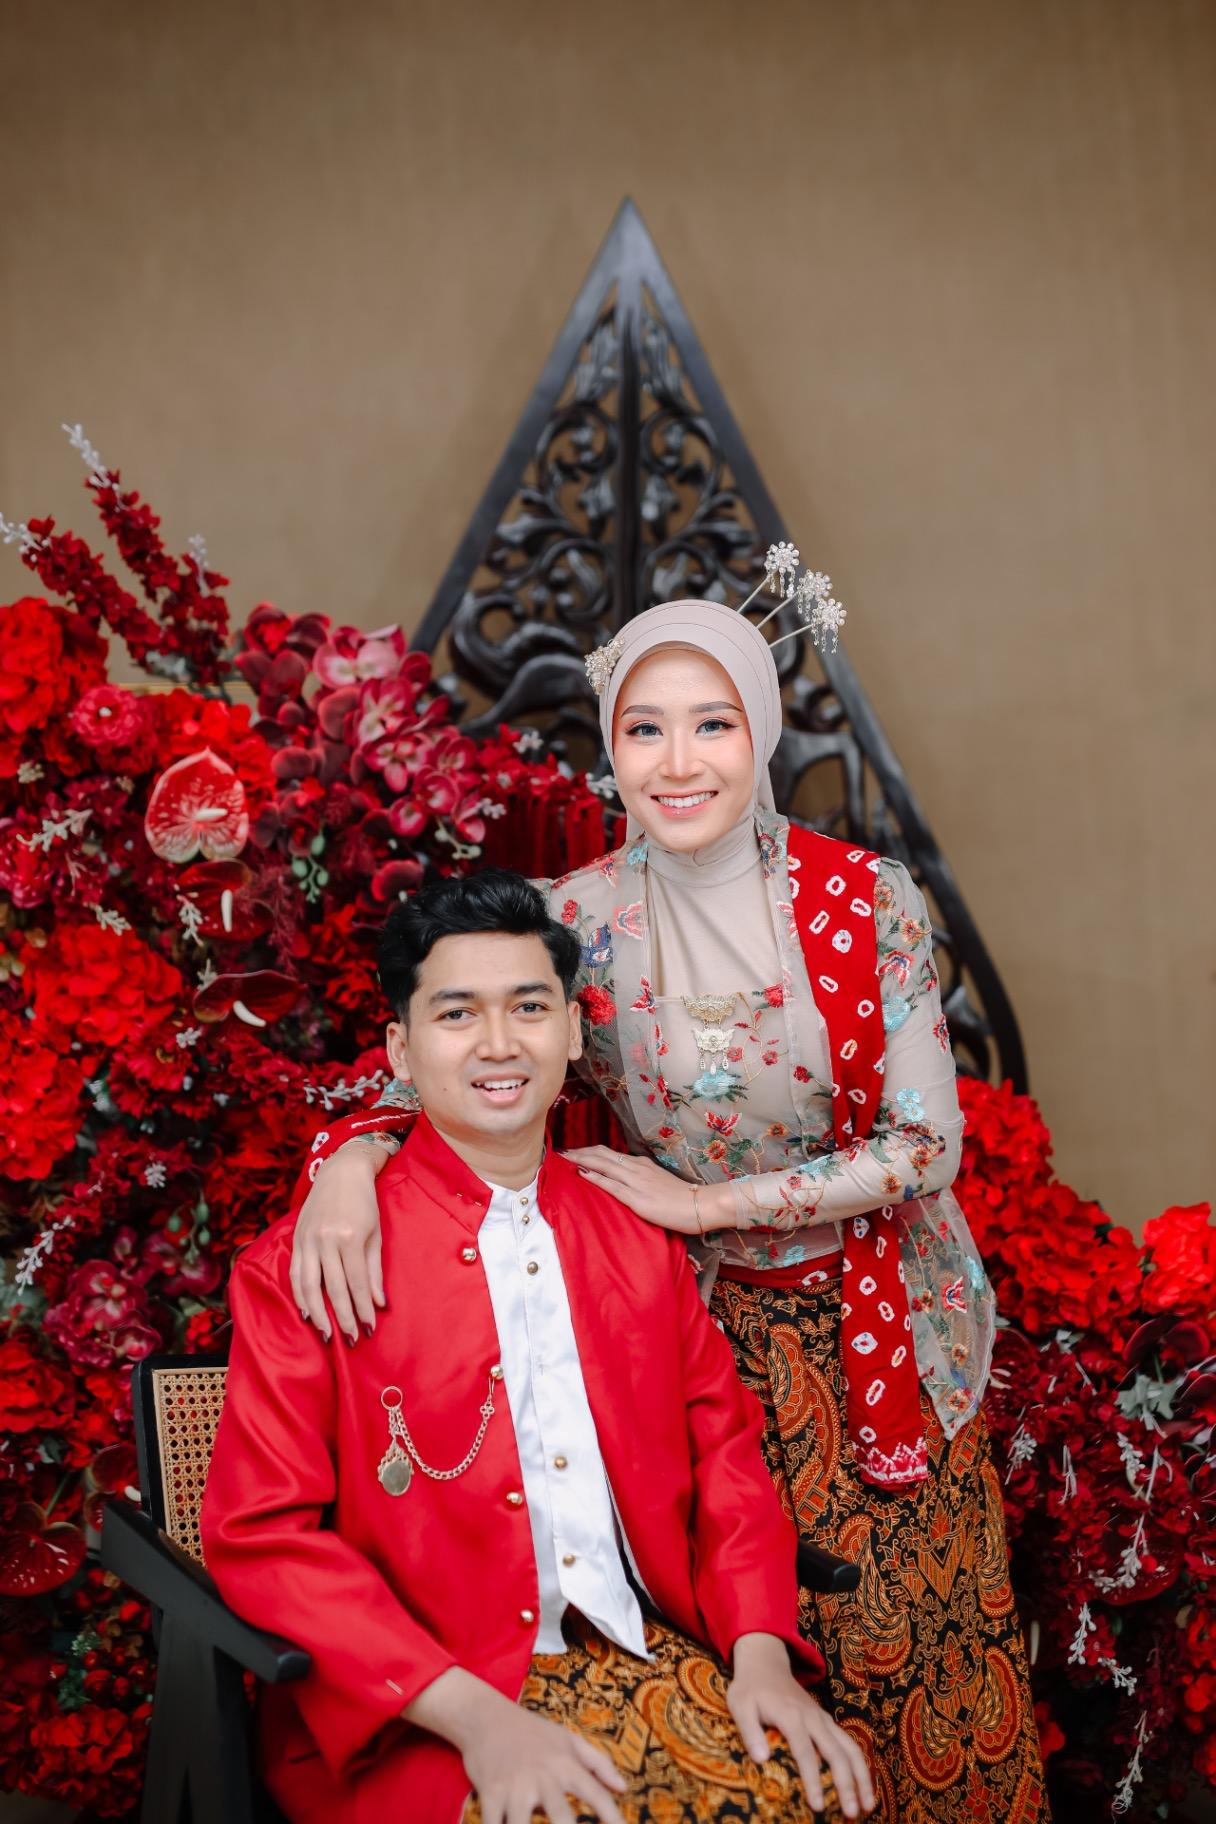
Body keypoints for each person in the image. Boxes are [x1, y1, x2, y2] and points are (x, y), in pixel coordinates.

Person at [287, 600, 1048, 1822]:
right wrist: (345, 1163)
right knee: (741, 1671)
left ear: (764, 733)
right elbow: (449, 1056)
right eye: (644, 729)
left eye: (713, 724)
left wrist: (704, 1204)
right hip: (691, 1341)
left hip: (884, 1334)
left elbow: (923, 1148)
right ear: (610, 745)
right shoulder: (578, 918)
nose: (677, 762)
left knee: (918, 1667)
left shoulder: (864, 900)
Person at [201, 869, 873, 1824]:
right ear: (400, 1050)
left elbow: (725, 1459)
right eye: (457, 1014)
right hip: (418, 1704)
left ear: (571, 1034)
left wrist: (761, 1656)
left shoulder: (635, 1239)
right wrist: (477, 1721)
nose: (499, 1043)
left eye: (528, 1007)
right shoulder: (310, 1265)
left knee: (819, 1795)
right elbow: (262, 1536)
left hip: (645, 1648)